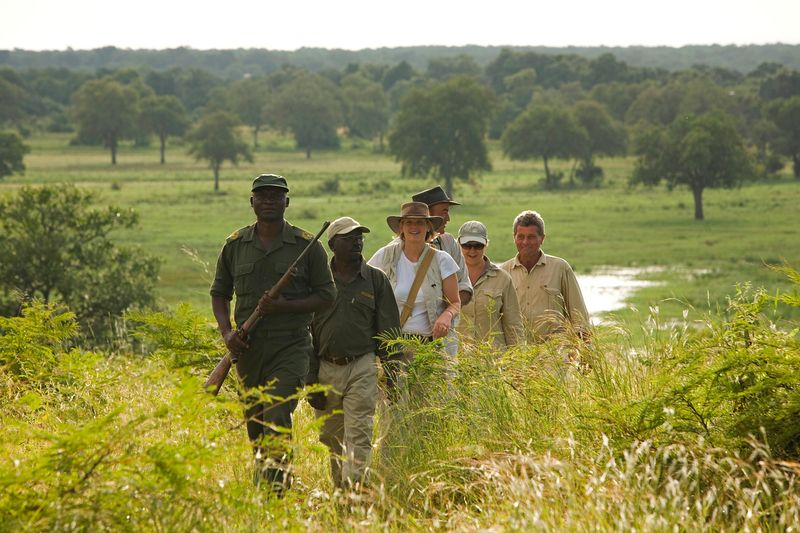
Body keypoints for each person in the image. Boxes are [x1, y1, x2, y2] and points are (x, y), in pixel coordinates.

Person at [210, 173, 336, 493]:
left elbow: (327, 296)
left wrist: (284, 306)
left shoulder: (307, 246)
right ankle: (264, 485)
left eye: (276, 196)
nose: (269, 201)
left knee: (277, 412)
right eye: (263, 196)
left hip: (290, 346)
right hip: (248, 351)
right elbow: (219, 294)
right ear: (252, 202)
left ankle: (277, 490)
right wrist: (227, 334)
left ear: (287, 202)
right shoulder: (235, 245)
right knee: (255, 423)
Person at [307, 216, 400, 491]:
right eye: (349, 238)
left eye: (359, 237)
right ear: (333, 244)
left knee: (359, 434)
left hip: (362, 366)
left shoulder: (375, 280)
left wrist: (392, 374)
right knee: (331, 437)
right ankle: (341, 492)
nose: (357, 242)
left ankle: (355, 492)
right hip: (325, 368)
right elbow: (305, 333)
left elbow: (389, 330)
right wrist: (311, 380)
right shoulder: (316, 281)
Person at [368, 202, 461, 348]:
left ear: (428, 226)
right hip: (394, 345)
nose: (414, 227)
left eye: (420, 222)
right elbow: (364, 286)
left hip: (430, 345)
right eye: (409, 222)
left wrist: (446, 316)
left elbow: (455, 303)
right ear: (401, 227)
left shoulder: (442, 260)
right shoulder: (385, 256)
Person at [500, 210, 590, 340]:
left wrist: (584, 347)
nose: (525, 242)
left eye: (531, 237)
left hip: (555, 349)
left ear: (542, 238)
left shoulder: (560, 268)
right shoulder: (503, 272)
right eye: (520, 236)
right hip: (517, 349)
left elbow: (579, 316)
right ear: (514, 238)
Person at [457, 220, 523, 349]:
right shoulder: (448, 277)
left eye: (478, 246)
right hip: (457, 357)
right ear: (458, 244)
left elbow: (513, 325)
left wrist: (518, 357)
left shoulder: (503, 279)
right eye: (467, 245)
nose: (472, 251)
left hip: (494, 358)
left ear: (486, 244)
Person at [411, 185, 472, 307]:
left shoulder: (449, 242)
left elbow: (465, 287)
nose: (448, 218)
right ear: (428, 214)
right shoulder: (395, 250)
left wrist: (444, 308)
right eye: (444, 212)